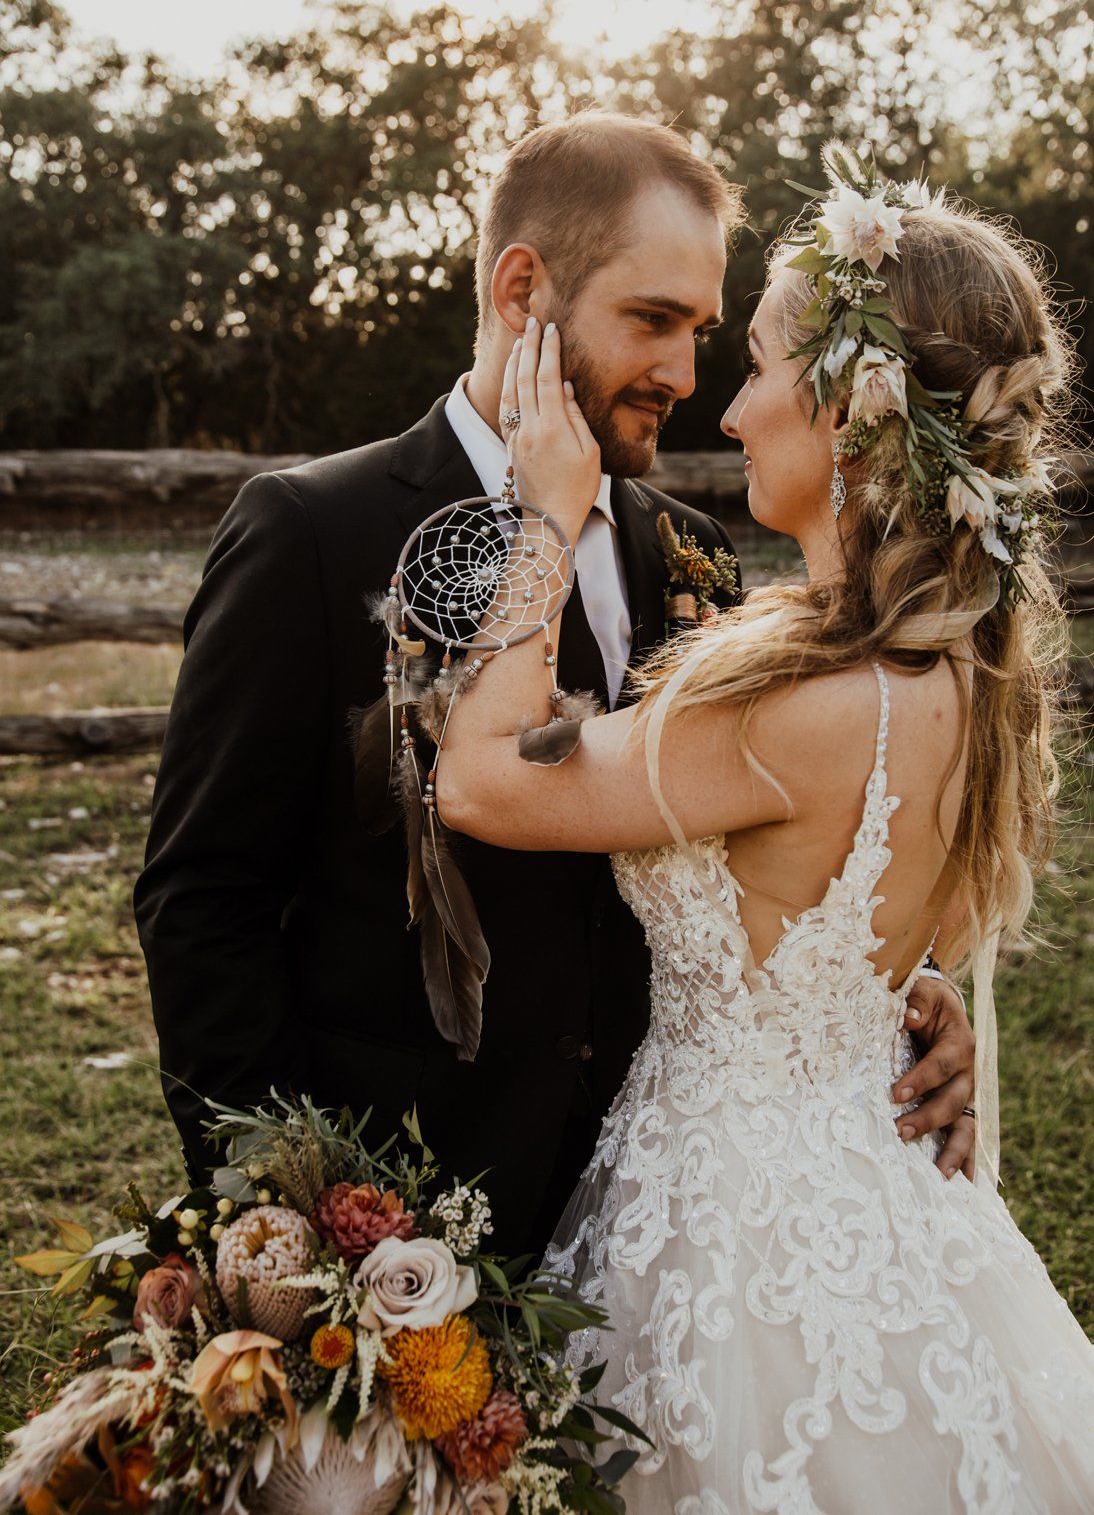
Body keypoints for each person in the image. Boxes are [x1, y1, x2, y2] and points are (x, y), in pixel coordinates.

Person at [134, 113, 975, 1260]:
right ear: (522, 288)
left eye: (703, 332)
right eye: (651, 320)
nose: (684, 374)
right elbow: (204, 899)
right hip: (404, 1203)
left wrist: (899, 980)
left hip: (665, 1214)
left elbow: (764, 822)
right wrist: (281, 1211)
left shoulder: (690, 549)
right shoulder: (313, 532)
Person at [436, 159, 1094, 1510]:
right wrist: (905, 998)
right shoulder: (956, 676)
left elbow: (488, 782)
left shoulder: (800, 702)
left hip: (736, 1247)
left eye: (755, 365)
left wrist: (543, 515)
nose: (724, 406)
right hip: (883, 1202)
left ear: (850, 416)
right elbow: (845, 929)